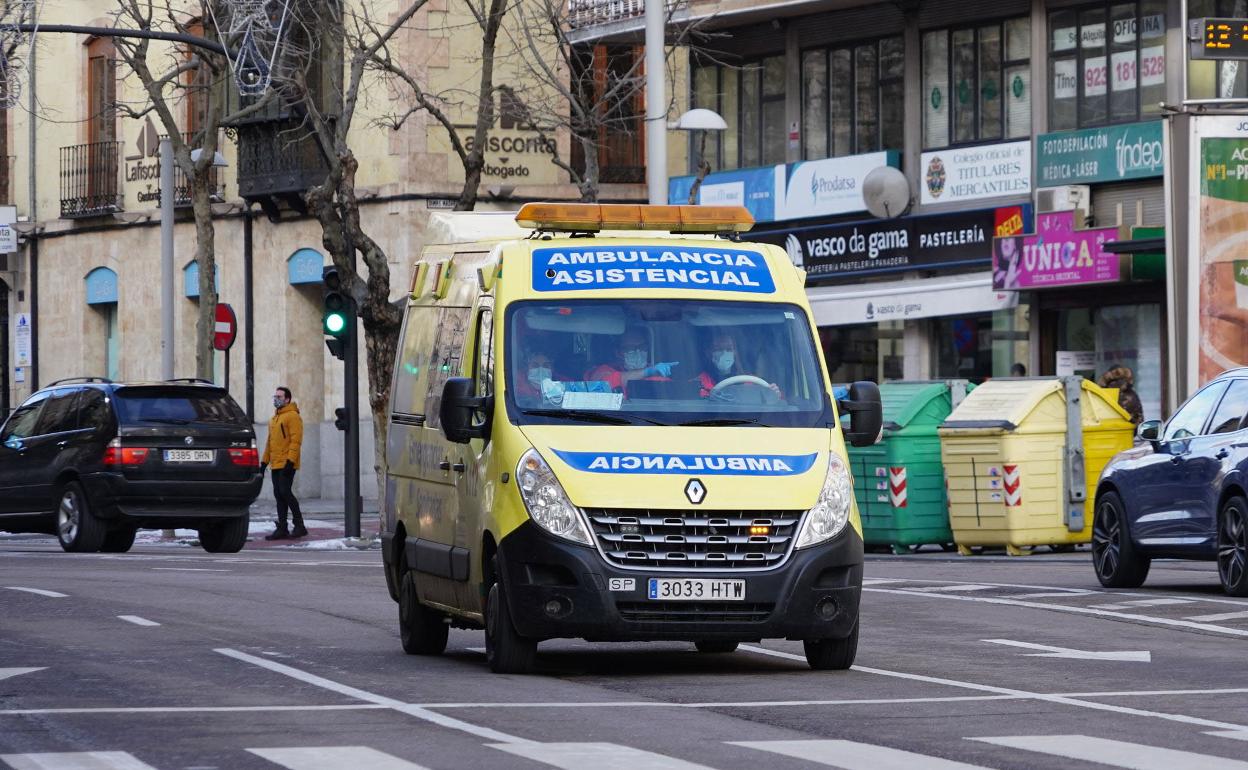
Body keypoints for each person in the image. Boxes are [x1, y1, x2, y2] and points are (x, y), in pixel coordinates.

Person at [262, 386, 306, 540]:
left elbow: (296, 440)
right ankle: (282, 527)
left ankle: (299, 525)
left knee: (285, 492)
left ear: (287, 399)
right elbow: (270, 443)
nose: (276, 399)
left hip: (287, 463)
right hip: (276, 463)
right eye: (275, 396)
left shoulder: (293, 416)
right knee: (279, 494)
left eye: (279, 396)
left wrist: (290, 461)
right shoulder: (274, 419)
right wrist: (264, 462)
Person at [586, 327, 677, 393]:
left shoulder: (658, 373)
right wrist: (647, 372)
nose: (637, 351)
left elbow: (673, 396)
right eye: (629, 348)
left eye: (641, 347)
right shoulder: (604, 371)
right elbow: (601, 385)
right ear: (618, 352)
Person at [694, 332, 781, 399]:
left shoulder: (753, 382)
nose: (724, 353)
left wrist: (774, 394)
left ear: (735, 353)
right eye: (718, 349)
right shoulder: (697, 383)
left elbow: (778, 403)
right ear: (708, 353)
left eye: (729, 349)